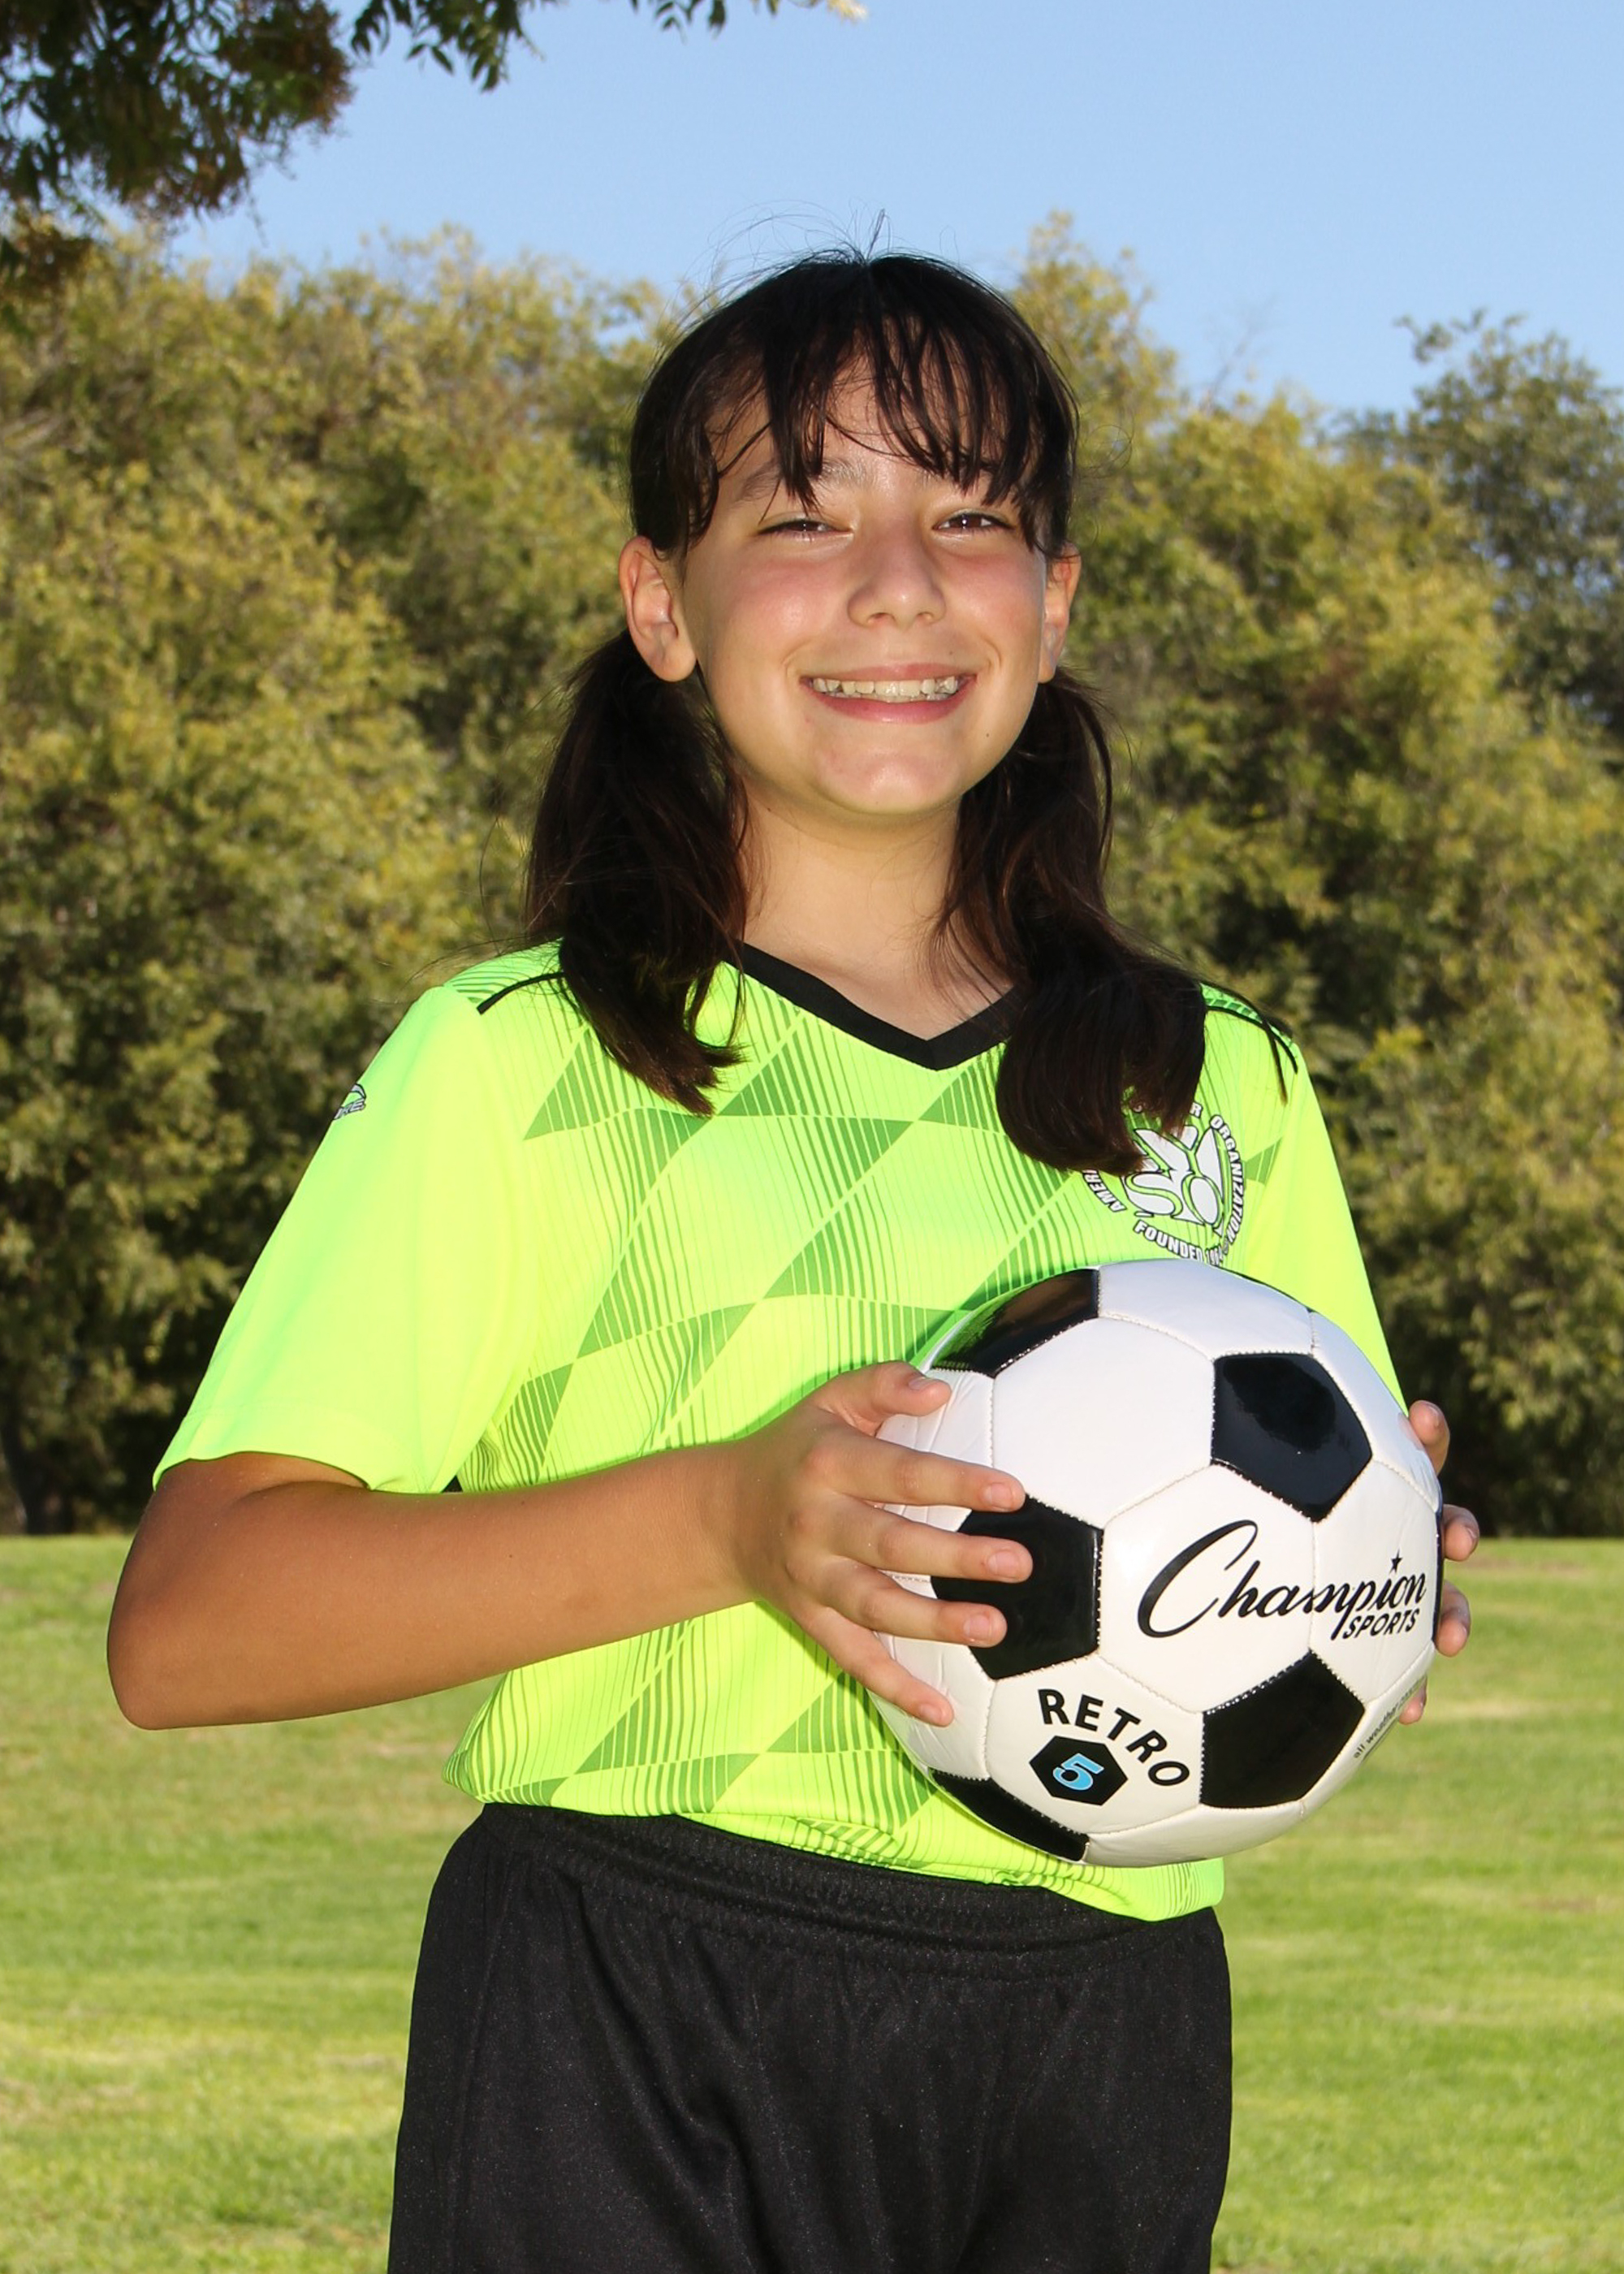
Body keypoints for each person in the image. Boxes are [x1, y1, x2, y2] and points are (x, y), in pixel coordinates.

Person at [108, 250, 1478, 2274]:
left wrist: (1376, 1567)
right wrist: (733, 1520)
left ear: (1055, 604)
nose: (897, 584)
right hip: (633, 2017)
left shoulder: (1224, 1083)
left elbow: (1285, 1552)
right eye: (803, 518)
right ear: (661, 602)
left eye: (969, 518)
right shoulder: (518, 1063)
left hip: (1099, 2029)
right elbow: (190, 1625)